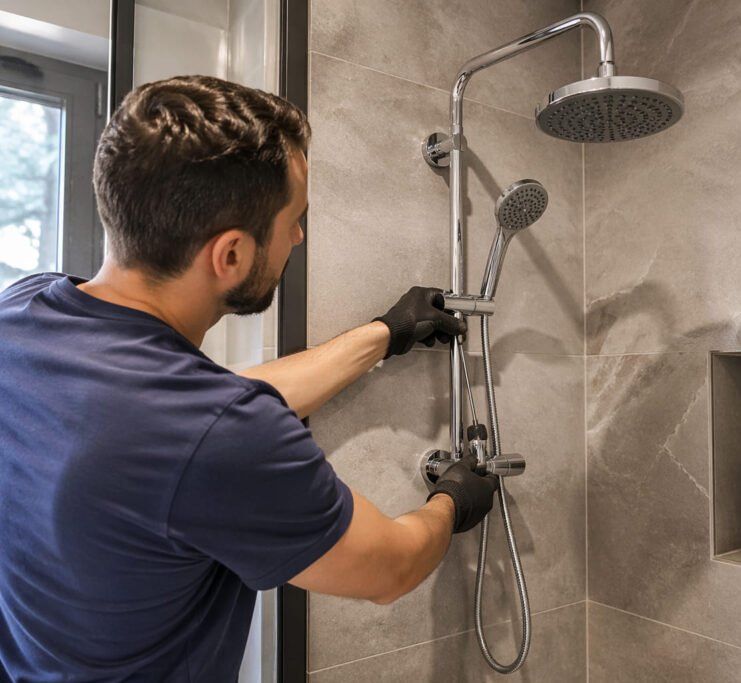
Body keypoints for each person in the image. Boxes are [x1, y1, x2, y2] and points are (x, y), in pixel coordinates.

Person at [0, 75, 499, 681]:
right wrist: (452, 501)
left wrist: (384, 334)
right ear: (230, 255)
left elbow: (196, 418)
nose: (297, 235)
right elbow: (389, 570)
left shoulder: (22, 313)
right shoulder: (210, 433)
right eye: (293, 218)